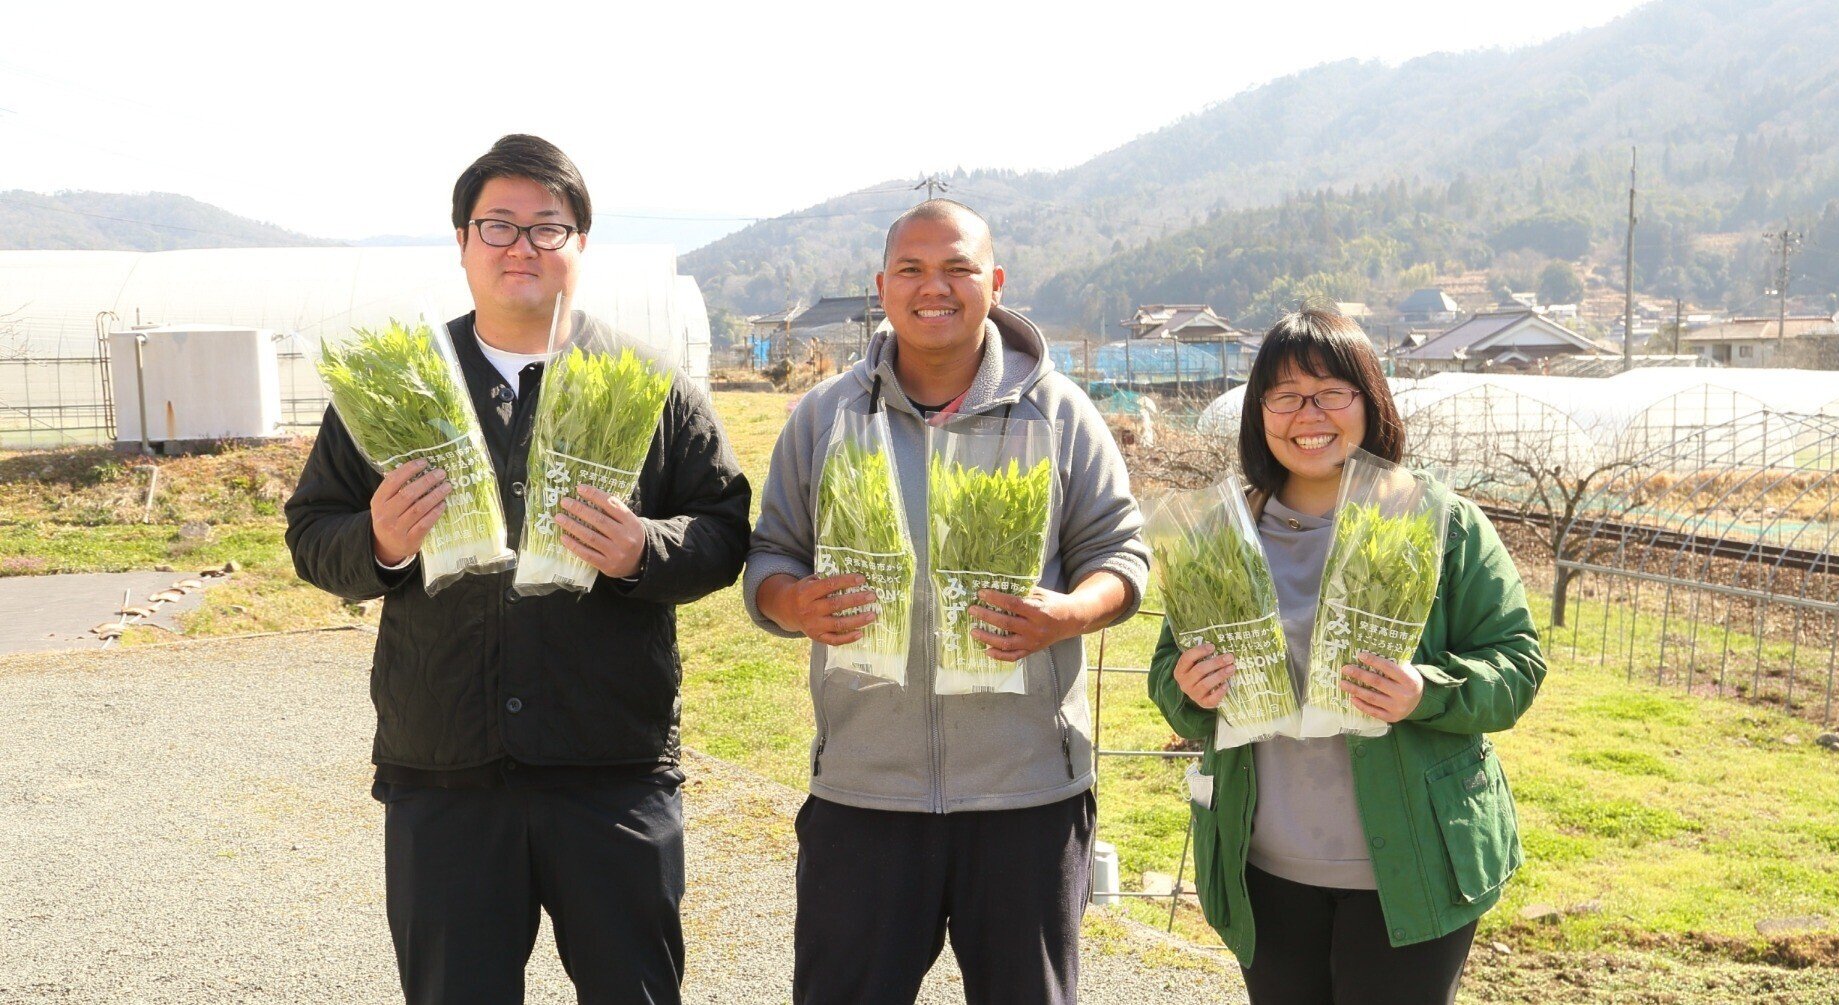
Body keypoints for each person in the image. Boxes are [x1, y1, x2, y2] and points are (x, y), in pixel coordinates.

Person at [285, 134, 750, 1005]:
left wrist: (644, 550)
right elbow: (312, 531)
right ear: (462, 241)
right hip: (444, 767)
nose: (521, 247)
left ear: (581, 244)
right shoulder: (396, 382)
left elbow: (725, 528)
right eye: (498, 225)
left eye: (549, 227)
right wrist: (379, 543)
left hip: (610, 763)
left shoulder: (647, 382)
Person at [744, 199, 1150, 1005]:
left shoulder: (1058, 411)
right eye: (913, 269)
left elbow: (1122, 555)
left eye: (959, 267)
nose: (937, 287)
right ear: (882, 287)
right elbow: (770, 554)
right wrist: (796, 604)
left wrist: (1066, 613)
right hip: (866, 791)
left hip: (1027, 794)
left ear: (994, 282)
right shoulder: (827, 416)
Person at [1147, 308, 1545, 1005]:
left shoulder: (1437, 520)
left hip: (1412, 864)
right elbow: (1167, 672)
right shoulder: (1221, 531)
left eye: (1332, 391)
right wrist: (1190, 687)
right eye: (1285, 394)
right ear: (1259, 410)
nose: (1309, 412)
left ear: (1370, 400)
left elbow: (1516, 662)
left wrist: (1428, 690)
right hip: (1264, 865)